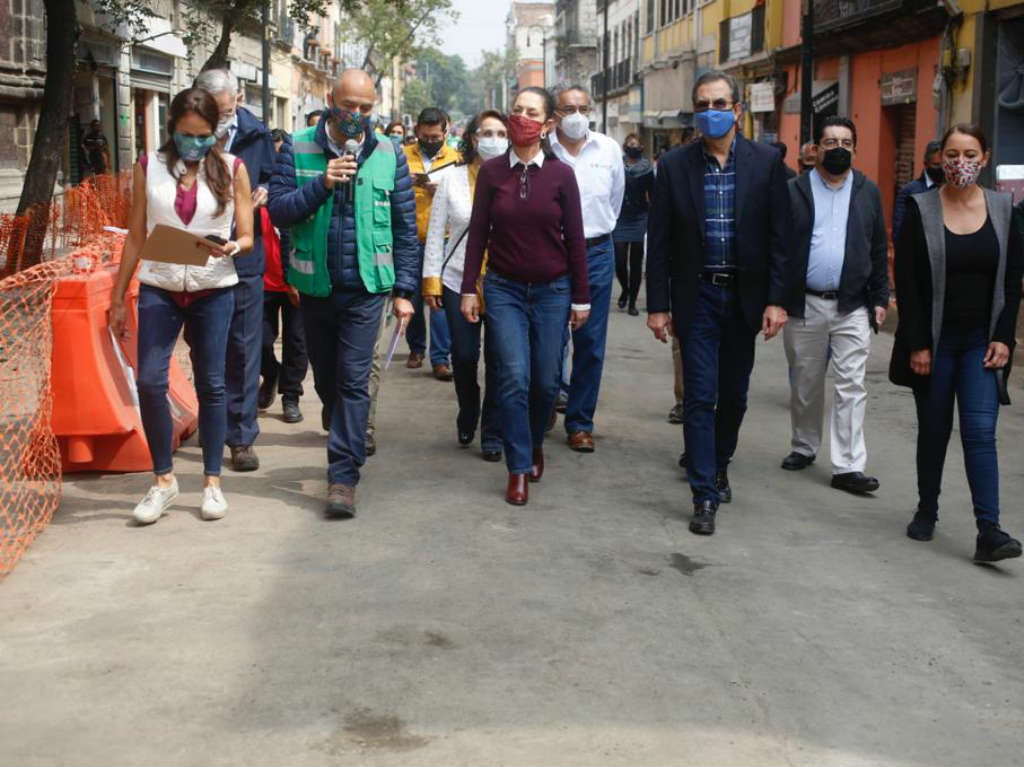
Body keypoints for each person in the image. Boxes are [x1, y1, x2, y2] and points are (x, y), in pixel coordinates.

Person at [268, 68, 418, 518]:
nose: (356, 116)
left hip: (366, 291)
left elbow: (406, 229)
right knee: (328, 382)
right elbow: (279, 210)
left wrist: (404, 289)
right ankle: (341, 430)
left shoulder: (389, 153)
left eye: (366, 109)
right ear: (330, 100)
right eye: (348, 106)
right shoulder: (296, 147)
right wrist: (322, 183)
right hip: (314, 290)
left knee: (354, 382)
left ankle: (342, 478)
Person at [646, 70, 790, 536]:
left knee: (735, 394)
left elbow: (779, 239)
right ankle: (703, 492)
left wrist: (776, 300)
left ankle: (720, 462)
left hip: (744, 297)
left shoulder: (766, 163)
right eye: (703, 104)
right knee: (700, 396)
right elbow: (661, 240)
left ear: (738, 110)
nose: (712, 112)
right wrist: (658, 304)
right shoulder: (673, 166)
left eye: (720, 103)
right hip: (697, 296)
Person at [108, 88, 253, 524]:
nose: (195, 143)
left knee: (211, 383)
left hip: (213, 287)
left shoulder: (232, 169)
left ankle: (212, 483)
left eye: (204, 135)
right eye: (187, 134)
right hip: (160, 285)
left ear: (215, 133)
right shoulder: (148, 167)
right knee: (151, 381)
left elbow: (247, 234)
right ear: (171, 128)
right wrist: (118, 296)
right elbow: (135, 234)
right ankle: (163, 481)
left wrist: (233, 246)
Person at [890, 123, 1023, 564]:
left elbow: (1011, 280)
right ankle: (927, 508)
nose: (959, 163)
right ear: (937, 157)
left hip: (980, 344)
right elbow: (907, 284)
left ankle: (990, 531)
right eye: (951, 154)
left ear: (984, 158)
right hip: (935, 342)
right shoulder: (920, 208)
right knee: (933, 429)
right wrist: (917, 343)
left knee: (980, 432)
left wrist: (1005, 338)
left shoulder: (1005, 209)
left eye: (969, 154)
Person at [460, 86, 590, 506]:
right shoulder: (493, 173)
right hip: (503, 289)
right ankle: (517, 466)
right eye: (517, 110)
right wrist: (468, 289)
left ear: (548, 124)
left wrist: (581, 298)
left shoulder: (561, 175)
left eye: (531, 112)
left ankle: (534, 443)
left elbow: (575, 241)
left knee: (546, 382)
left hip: (553, 291)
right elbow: (478, 234)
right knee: (512, 376)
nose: (521, 118)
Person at [781, 116, 888, 495]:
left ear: (855, 149)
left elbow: (877, 245)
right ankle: (804, 446)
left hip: (851, 306)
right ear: (816, 148)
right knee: (806, 382)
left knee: (851, 385)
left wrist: (880, 297)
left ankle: (848, 466)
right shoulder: (794, 189)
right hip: (805, 304)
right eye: (830, 142)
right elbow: (779, 248)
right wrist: (776, 300)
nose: (838, 148)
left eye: (845, 142)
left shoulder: (866, 191)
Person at [194, 69, 276, 473]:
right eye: (216, 112)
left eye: (228, 109)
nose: (224, 118)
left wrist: (266, 190)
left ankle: (241, 437)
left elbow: (277, 176)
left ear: (239, 99)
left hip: (246, 254)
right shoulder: (188, 133)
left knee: (244, 348)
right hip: (198, 253)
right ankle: (213, 419)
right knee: (206, 344)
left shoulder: (258, 134)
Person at [422, 110, 508, 459]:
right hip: (459, 277)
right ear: (472, 138)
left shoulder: (518, 177)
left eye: (501, 132)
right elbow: (436, 235)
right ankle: (468, 408)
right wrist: (432, 281)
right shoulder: (452, 179)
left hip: (505, 281)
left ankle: (492, 430)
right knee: (464, 355)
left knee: (501, 361)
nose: (493, 139)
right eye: (486, 132)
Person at [549, 85, 624, 453]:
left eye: (582, 107)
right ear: (555, 114)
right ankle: (546, 402)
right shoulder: (544, 150)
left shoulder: (608, 149)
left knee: (590, 342)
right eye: (567, 108)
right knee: (549, 339)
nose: (576, 115)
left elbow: (616, 200)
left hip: (596, 252)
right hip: (551, 253)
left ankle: (580, 421)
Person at [403, 107, 457, 379]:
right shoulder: (403, 157)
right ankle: (416, 348)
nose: (432, 140)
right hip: (410, 238)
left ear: (446, 132)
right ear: (417, 133)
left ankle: (440, 358)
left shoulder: (457, 159)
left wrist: (444, 190)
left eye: (436, 136)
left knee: (438, 300)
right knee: (410, 296)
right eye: (426, 136)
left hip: (444, 239)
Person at [259, 127, 308, 424]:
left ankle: (291, 395)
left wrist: (295, 280)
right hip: (263, 280)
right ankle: (270, 372)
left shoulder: (301, 190)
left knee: (297, 341)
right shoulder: (255, 188)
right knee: (260, 340)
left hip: (299, 277)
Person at [614, 133, 653, 316]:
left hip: (639, 216)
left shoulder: (647, 168)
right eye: (630, 143)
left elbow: (653, 193)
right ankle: (625, 288)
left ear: (641, 148)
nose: (633, 146)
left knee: (636, 262)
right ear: (625, 146)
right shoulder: (617, 164)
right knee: (620, 259)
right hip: (620, 216)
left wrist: (654, 216)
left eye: (636, 144)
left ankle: (632, 302)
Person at [893, 140, 944, 240]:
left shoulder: (952, 190)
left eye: (943, 164)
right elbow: (899, 231)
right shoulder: (910, 191)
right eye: (936, 165)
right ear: (926, 164)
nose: (940, 169)